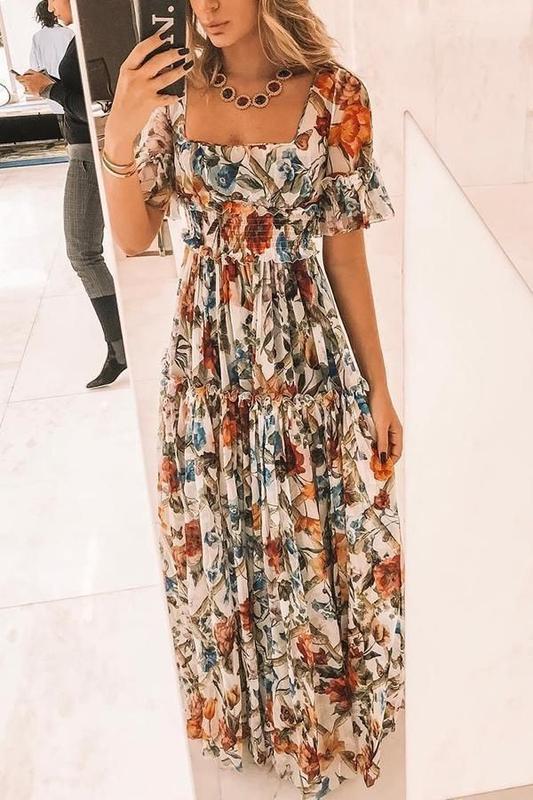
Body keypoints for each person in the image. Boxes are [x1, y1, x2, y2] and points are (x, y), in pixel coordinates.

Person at [102, 1, 405, 796]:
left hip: (302, 360)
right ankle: (247, 711)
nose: (207, 5)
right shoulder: (172, 97)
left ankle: (309, 707)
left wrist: (378, 386)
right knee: (222, 526)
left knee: (304, 526)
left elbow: (344, 255)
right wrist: (120, 131)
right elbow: (132, 238)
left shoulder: (334, 94)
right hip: (206, 363)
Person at [16, 0, 127, 389]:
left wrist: (49, 88)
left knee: (82, 252)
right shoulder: (91, 32)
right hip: (88, 151)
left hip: (89, 154)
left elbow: (94, 107)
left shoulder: (92, 35)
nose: (49, 5)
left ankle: (120, 349)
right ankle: (120, 347)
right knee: (86, 252)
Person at [29, 0, 74, 138]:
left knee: (64, 126)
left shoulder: (37, 37)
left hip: (50, 84)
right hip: (71, 84)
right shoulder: (68, 33)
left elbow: (35, 65)